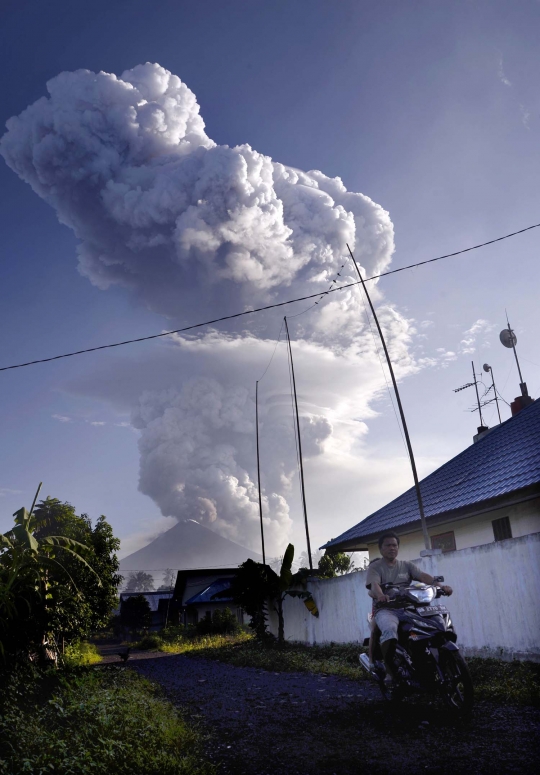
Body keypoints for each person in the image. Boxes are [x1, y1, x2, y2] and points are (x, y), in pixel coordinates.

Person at [366, 531, 453, 683]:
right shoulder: (375, 567)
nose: (392, 548)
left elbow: (424, 577)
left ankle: (426, 662)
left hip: (409, 607)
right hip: (386, 609)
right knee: (390, 631)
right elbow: (374, 585)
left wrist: (441, 586)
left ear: (398, 548)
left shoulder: (406, 566)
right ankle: (389, 669)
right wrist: (380, 595)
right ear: (381, 549)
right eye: (388, 545)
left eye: (394, 545)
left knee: (433, 626)